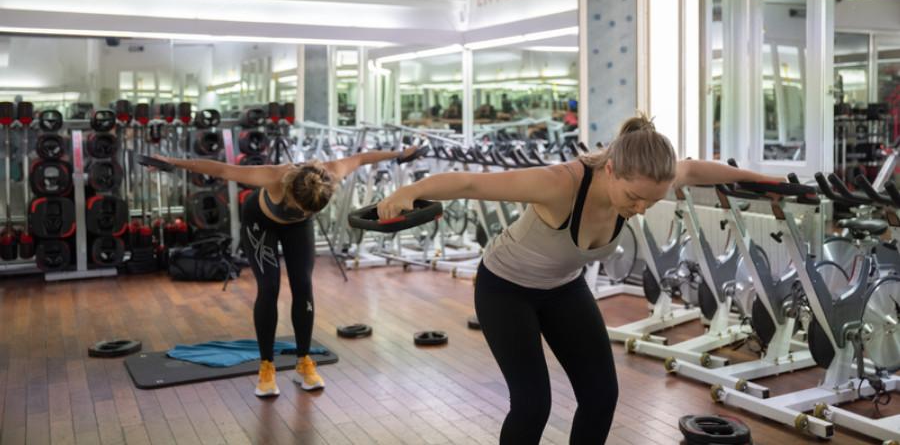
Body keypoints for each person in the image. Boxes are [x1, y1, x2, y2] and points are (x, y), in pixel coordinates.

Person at [376, 113, 783, 444]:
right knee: (533, 404)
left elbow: (693, 169)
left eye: (651, 201)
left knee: (602, 396)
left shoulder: (648, 176)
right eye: (634, 198)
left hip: (562, 287)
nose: (641, 209)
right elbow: (469, 182)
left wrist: (766, 181)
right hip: (505, 288)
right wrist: (409, 192)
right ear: (610, 170)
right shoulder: (560, 184)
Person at [154, 144, 418, 397]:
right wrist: (172, 163)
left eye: (309, 210)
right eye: (301, 207)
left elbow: (361, 158)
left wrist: (399, 154)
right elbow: (220, 170)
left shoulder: (330, 173)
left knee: (303, 285)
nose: (304, 211)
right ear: (291, 189)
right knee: (269, 288)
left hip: (297, 229)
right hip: (260, 223)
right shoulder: (273, 176)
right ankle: (266, 369)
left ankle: (304, 363)